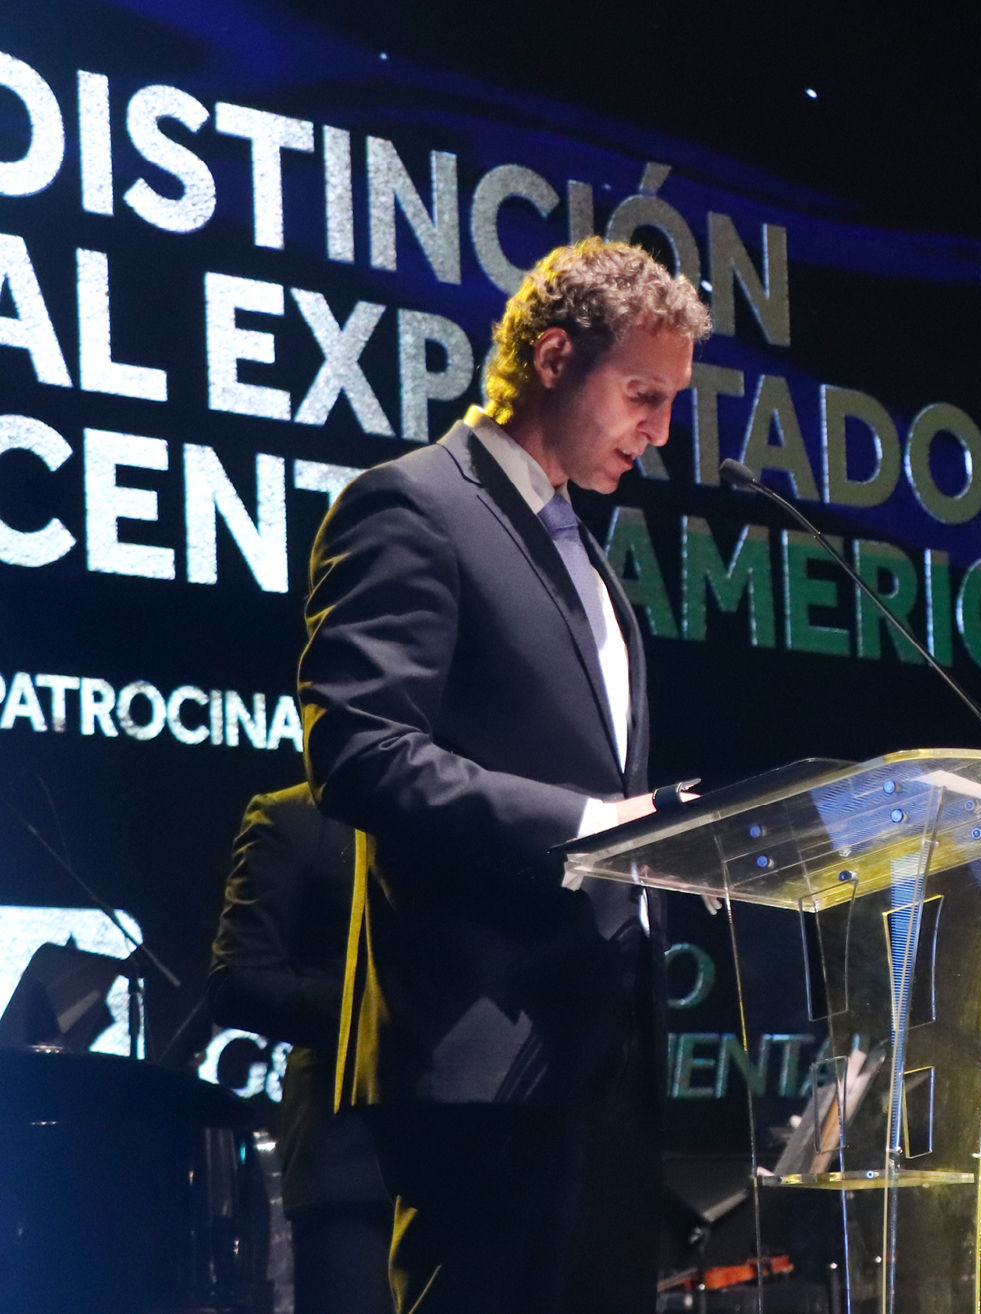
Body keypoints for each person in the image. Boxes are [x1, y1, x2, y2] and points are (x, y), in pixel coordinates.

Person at [298, 237, 709, 1314]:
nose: (662, 432)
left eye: (672, 403)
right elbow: (360, 751)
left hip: (598, 1053)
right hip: (482, 1050)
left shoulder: (584, 549)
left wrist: (667, 847)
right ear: (555, 357)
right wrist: (595, 825)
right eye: (644, 396)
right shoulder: (412, 505)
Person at [208, 785, 391, 1314]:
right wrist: (386, 1006)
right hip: (350, 1156)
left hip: (486, 1153)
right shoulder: (292, 816)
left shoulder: (471, 807)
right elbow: (235, 982)